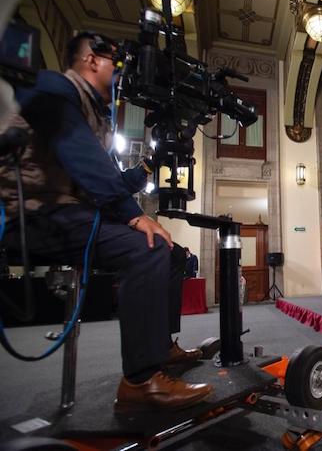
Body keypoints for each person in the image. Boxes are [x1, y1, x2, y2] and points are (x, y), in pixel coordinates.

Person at [0, 32, 212, 410]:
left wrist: (148, 167)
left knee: (172, 253)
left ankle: (161, 348)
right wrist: (135, 218)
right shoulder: (55, 87)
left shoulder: (93, 112)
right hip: (33, 216)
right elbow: (85, 164)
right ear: (90, 60)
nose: (119, 72)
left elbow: (106, 180)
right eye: (114, 62)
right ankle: (141, 380)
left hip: (70, 211)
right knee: (143, 248)